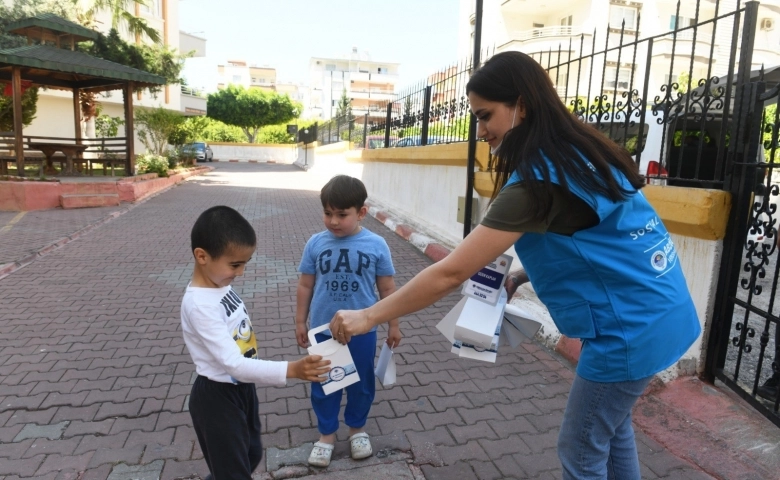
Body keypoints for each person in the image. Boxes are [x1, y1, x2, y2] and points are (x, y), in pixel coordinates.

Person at [329, 51, 702, 480]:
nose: (481, 130)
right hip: (663, 313)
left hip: (628, 333)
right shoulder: (582, 153)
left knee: (580, 451)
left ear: (521, 105)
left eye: (486, 115)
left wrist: (368, 315)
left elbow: (451, 272)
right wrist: (523, 275)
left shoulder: (539, 180)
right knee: (611, 430)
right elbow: (600, 239)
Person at [182, 206, 331, 480]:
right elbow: (233, 364)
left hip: (241, 389)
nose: (241, 272)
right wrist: (292, 370)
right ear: (202, 256)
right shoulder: (199, 305)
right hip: (217, 397)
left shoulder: (219, 284)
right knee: (233, 471)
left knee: (250, 454)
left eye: (245, 263)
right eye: (235, 264)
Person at [295, 175, 401, 467]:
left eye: (342, 214)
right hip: (323, 331)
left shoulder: (376, 245)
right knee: (324, 383)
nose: (333, 221)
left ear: (361, 213)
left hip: (363, 332)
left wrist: (393, 324)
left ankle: (357, 429)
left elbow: (387, 290)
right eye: (328, 213)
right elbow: (305, 285)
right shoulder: (315, 243)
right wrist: (300, 322)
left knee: (361, 384)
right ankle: (327, 435)